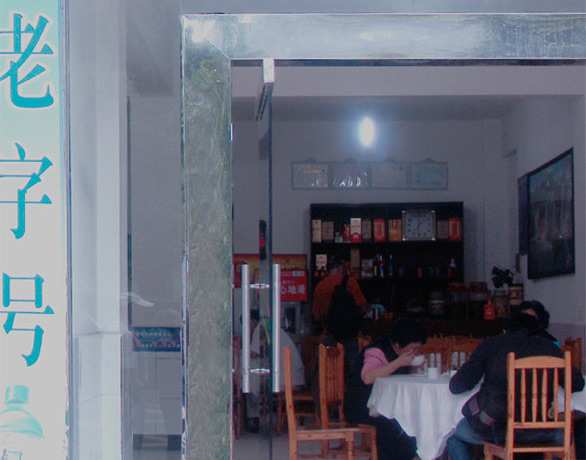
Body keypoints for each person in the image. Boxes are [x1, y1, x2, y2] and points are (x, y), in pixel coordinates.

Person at [446, 312, 585, 460]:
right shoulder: (550, 348)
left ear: (505, 330)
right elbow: (577, 384)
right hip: (543, 431)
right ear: (536, 332)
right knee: (562, 437)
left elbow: (457, 386)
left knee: (452, 435)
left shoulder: (490, 345)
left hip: (498, 430)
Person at [344, 319, 427, 460]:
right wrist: (399, 362)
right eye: (413, 348)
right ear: (398, 345)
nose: (415, 352)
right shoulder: (377, 350)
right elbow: (368, 377)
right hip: (361, 405)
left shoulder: (400, 354)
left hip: (385, 405)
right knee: (394, 424)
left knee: (413, 421)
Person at [245, 310, 305, 432]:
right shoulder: (271, 327)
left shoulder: (260, 329)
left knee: (248, 380)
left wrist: (236, 350)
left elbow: (254, 353)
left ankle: (252, 419)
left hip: (286, 380)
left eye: (247, 325)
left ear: (253, 322)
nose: (247, 330)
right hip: (295, 377)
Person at [312, 257, 369, 334]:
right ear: (341, 267)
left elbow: (317, 316)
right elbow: (362, 308)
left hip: (329, 332)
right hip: (350, 331)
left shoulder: (319, 286)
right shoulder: (350, 282)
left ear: (327, 270)